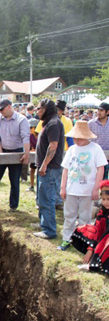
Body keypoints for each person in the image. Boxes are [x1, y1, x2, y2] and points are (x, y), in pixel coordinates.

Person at [57, 121, 107, 251]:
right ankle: (66, 238)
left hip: (87, 190)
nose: (76, 140)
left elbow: (100, 168)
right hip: (71, 189)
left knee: (85, 217)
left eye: (79, 138)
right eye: (75, 137)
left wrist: (97, 187)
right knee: (69, 215)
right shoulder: (72, 149)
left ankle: (83, 240)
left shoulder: (95, 148)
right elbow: (66, 169)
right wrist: (63, 187)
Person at [0, 99, 30, 211]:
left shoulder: (22, 120)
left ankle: (13, 206)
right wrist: (1, 154)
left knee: (14, 180)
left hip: (17, 151)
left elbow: (25, 137)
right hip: (2, 150)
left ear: (9, 107)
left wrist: (26, 153)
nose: (0, 111)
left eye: (2, 109)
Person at [33, 99, 65, 239]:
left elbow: (53, 145)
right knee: (42, 199)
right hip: (45, 168)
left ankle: (49, 230)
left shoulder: (53, 123)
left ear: (45, 109)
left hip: (49, 168)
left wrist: (45, 164)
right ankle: (43, 224)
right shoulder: (49, 122)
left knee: (47, 200)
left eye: (39, 108)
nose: (37, 111)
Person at [70, 180, 109, 273]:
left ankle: (95, 265)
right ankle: (96, 257)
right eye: (103, 199)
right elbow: (98, 230)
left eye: (108, 199)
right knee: (86, 229)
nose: (106, 202)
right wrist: (90, 249)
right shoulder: (102, 212)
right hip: (103, 239)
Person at [88, 102, 109, 179]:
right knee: (95, 179)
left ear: (107, 112)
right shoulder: (90, 123)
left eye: (101, 110)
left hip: (108, 156)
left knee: (105, 181)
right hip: (95, 157)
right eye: (98, 110)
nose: (99, 112)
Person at [26, 118, 39, 192]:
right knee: (32, 170)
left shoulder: (41, 134)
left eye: (30, 127)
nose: (29, 129)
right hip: (34, 155)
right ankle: (31, 185)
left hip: (41, 155)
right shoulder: (30, 136)